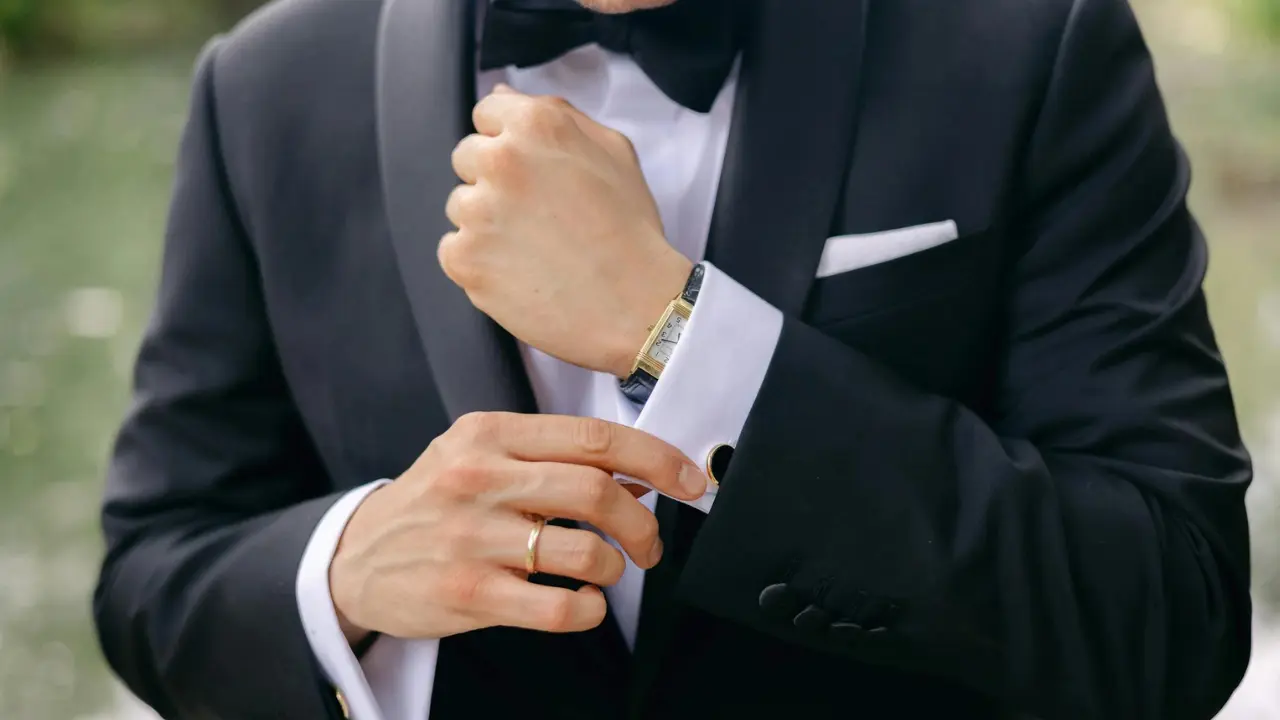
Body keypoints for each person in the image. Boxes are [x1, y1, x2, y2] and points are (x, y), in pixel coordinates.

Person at [92, 0, 1255, 717]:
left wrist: (684, 334)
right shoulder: (264, 84)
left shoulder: (1035, 39)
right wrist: (342, 573)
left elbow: (1170, 618)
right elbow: (154, 574)